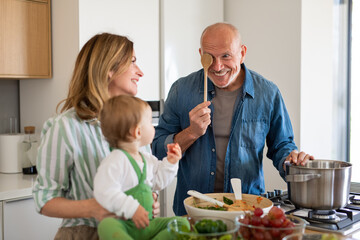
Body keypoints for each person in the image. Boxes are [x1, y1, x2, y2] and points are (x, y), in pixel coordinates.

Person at [152, 22, 314, 216]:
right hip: (193, 213)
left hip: (247, 212)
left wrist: (292, 161)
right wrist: (191, 133)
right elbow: (158, 150)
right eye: (209, 57)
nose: (217, 66)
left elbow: (282, 146)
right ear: (200, 54)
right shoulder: (181, 90)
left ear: (242, 53)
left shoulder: (268, 93)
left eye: (226, 56)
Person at [32, 33, 160, 240]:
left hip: (134, 233)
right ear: (109, 69)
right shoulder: (66, 127)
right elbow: (44, 199)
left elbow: (143, 181)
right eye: (133, 62)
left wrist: (149, 202)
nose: (141, 72)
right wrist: (91, 208)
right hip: (84, 234)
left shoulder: (137, 124)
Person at [94, 95, 188, 240]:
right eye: (150, 122)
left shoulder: (147, 159)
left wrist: (171, 162)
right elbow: (104, 192)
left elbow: (159, 181)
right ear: (137, 132)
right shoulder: (115, 160)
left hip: (147, 224)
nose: (153, 126)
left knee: (181, 223)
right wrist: (132, 209)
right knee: (106, 225)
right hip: (124, 225)